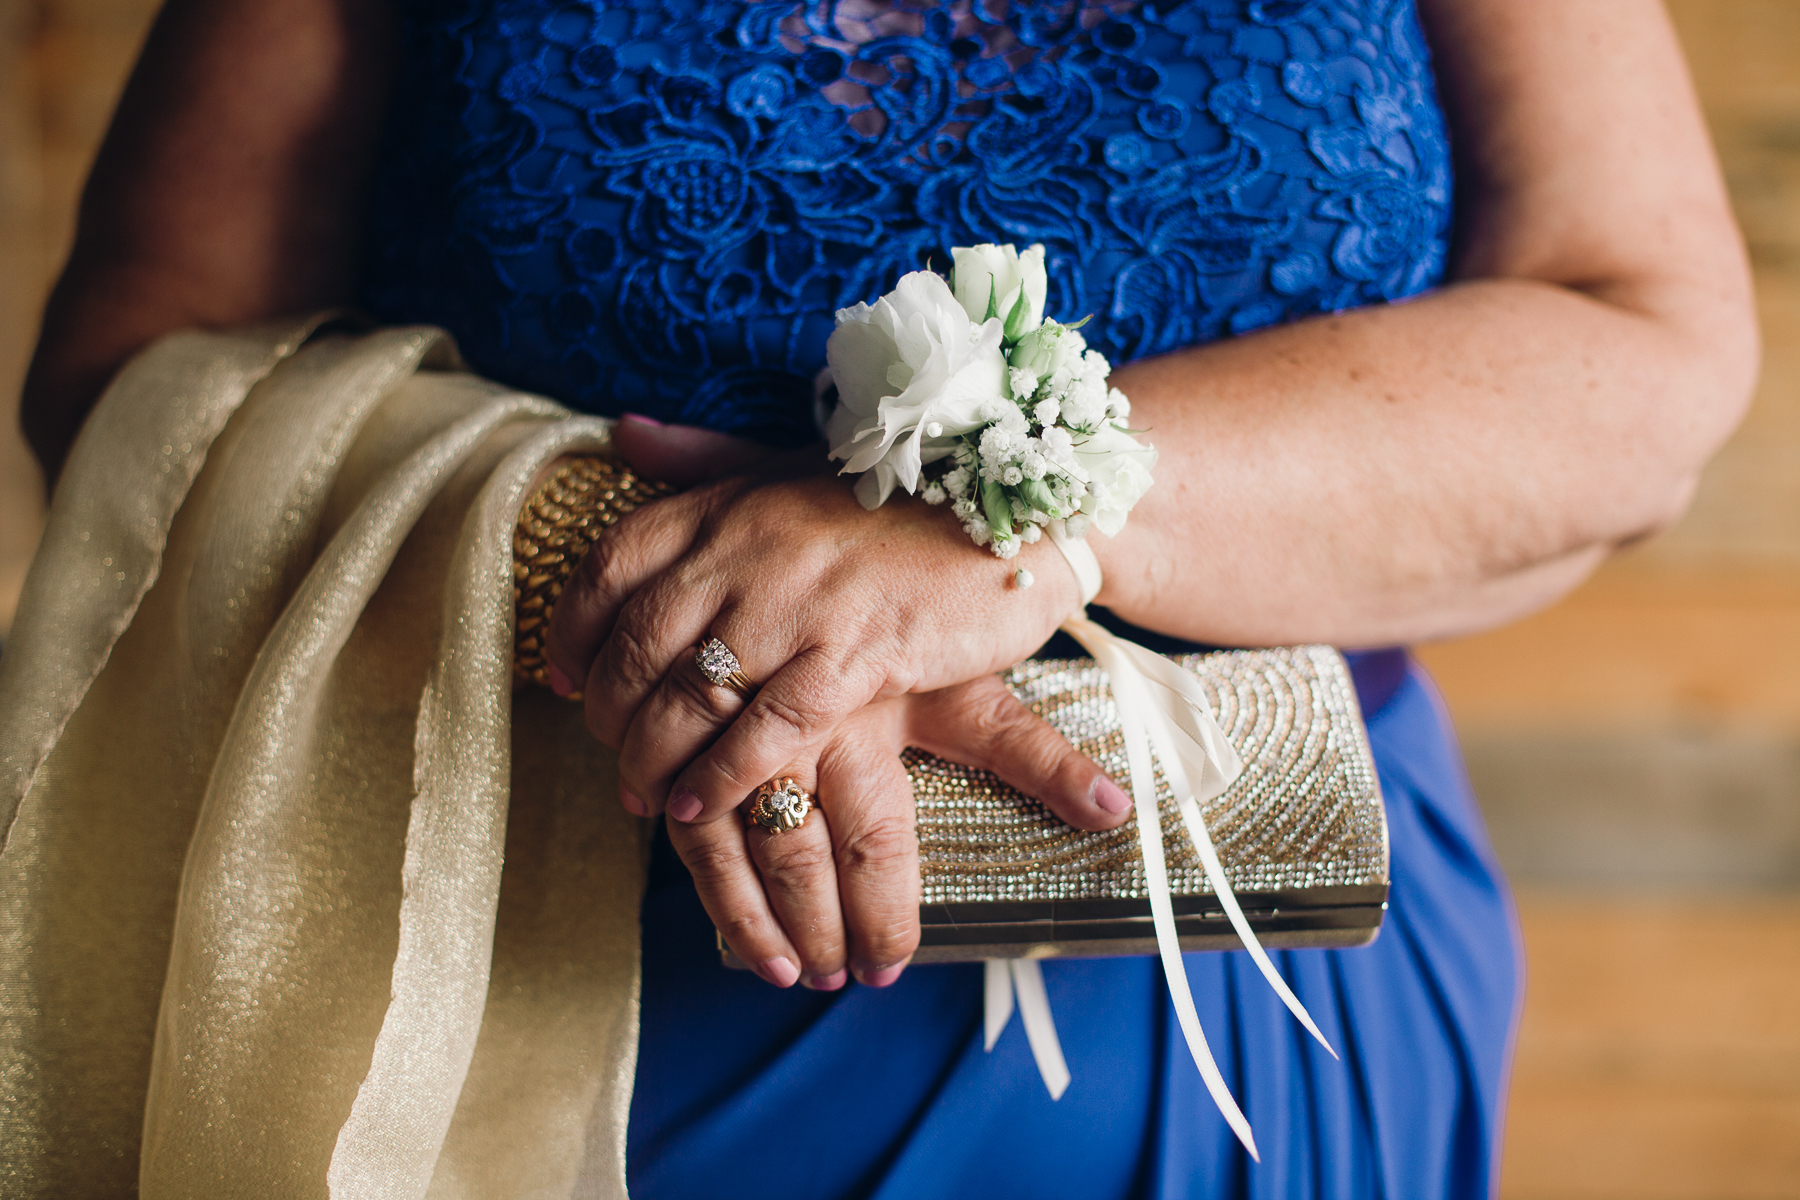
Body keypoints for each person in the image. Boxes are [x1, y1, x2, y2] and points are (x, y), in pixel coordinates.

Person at [19, 0, 1756, 1195]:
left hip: (1252, 920)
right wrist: (651, 579)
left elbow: (1642, 343)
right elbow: (137, 376)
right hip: (549, 970)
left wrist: (1016, 533)